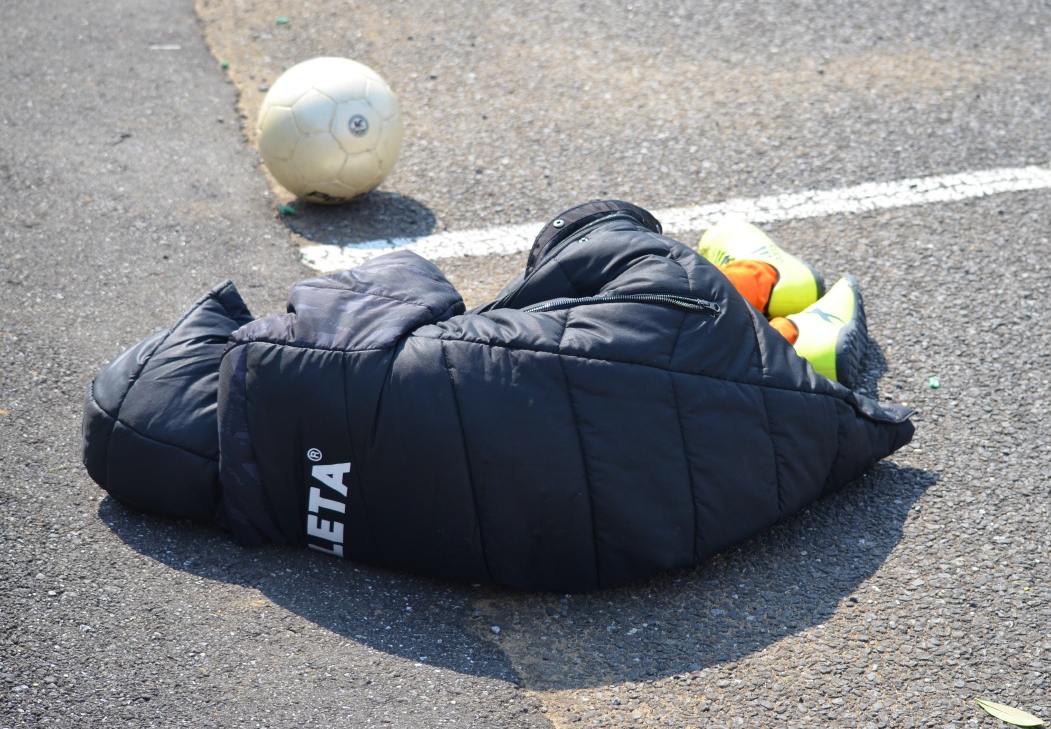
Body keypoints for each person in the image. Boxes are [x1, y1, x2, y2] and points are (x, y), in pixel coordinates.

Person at [82, 201, 913, 591]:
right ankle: (756, 297)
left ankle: (789, 363)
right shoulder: (278, 366)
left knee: (582, 378)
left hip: (604, 538)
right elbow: (409, 280)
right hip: (594, 415)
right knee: (598, 237)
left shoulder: (272, 516)